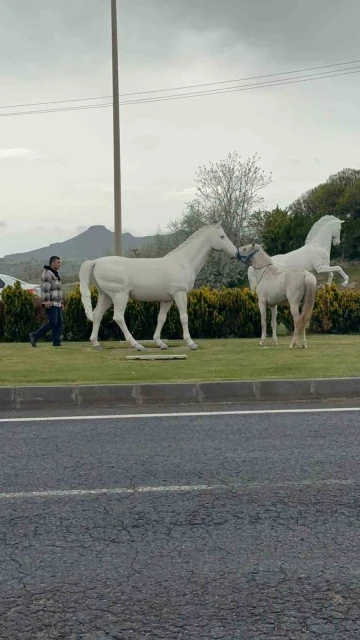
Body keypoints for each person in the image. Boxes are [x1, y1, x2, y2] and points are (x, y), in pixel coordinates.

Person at [29, 256, 63, 347]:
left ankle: (56, 342)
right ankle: (35, 335)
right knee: (52, 322)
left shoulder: (55, 274)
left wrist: (61, 302)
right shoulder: (47, 274)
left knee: (59, 323)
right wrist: (47, 300)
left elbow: (58, 290)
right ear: (52, 263)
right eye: (58, 262)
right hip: (51, 302)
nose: (60, 264)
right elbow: (45, 288)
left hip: (57, 303)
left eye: (60, 262)